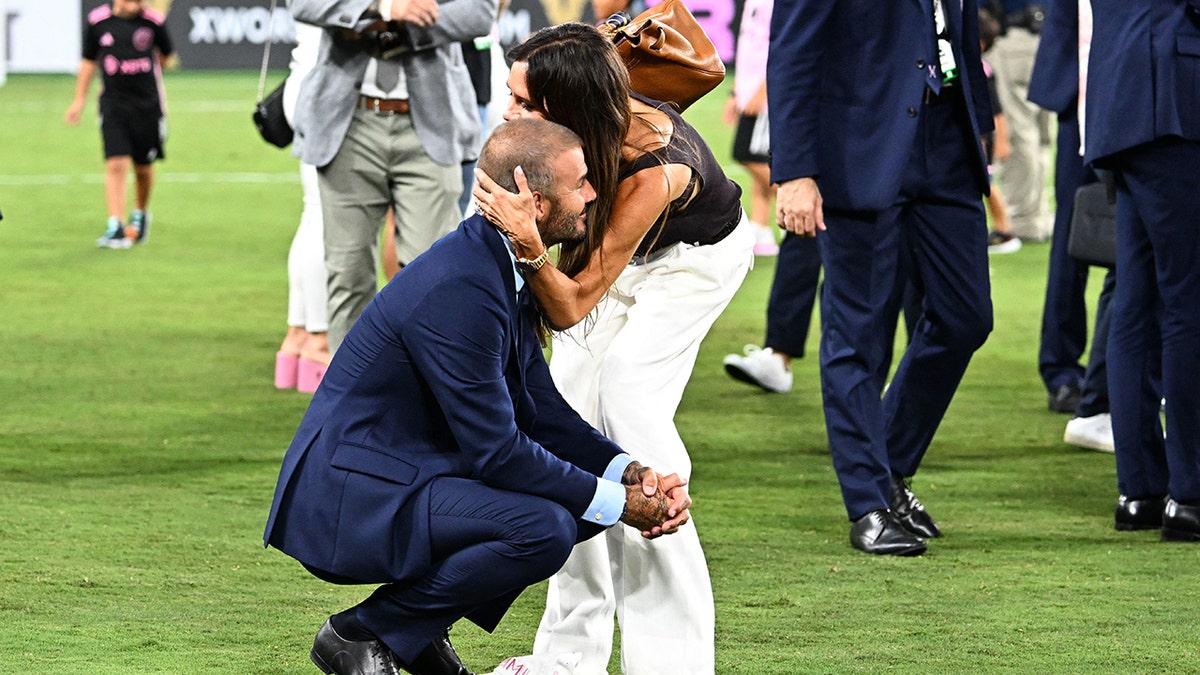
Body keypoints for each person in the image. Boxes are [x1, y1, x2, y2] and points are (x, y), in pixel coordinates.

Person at [264, 118, 692, 675]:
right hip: (352, 493)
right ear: (536, 203)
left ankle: (413, 629)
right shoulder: (464, 285)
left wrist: (625, 472)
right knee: (545, 527)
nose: (593, 193)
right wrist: (619, 504)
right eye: (581, 182)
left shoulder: (497, 263)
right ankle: (363, 633)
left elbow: (540, 410)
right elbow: (498, 451)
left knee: (580, 506)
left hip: (408, 468)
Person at [473, 22, 755, 674]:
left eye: (522, 103)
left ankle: (674, 661)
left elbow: (570, 301)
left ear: (563, 109)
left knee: (628, 394)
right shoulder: (583, 90)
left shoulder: (657, 169)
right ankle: (567, 657)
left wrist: (528, 244)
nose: (510, 113)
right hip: (622, 255)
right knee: (566, 427)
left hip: (695, 262)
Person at [767, 0, 994, 556]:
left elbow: (955, 32)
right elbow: (793, 50)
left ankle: (885, 466)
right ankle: (868, 504)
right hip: (859, 148)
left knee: (966, 318)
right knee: (858, 332)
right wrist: (795, 171)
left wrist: (981, 126)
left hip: (946, 147)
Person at [288, 0, 495, 353]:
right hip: (348, 124)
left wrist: (403, 23)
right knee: (347, 274)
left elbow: (479, 12)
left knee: (433, 280)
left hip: (432, 127)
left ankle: (425, 400)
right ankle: (349, 403)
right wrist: (382, 8)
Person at [1084, 0, 1200, 540]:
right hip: (1173, 101)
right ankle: (1190, 492)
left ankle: (1142, 491)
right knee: (1185, 303)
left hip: (1124, 101)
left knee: (1137, 301)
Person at [1027, 0, 1116, 448]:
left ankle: (1111, 374)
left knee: (1127, 245)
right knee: (1072, 239)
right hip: (1082, 95)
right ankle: (1062, 369)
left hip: (1119, 90)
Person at [64, 0, 173, 250]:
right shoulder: (98, 22)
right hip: (113, 106)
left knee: (143, 168)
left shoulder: (153, 22)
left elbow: (164, 56)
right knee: (116, 163)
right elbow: (88, 61)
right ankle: (116, 225)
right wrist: (78, 100)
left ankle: (141, 214)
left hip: (148, 107)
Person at [275, 21, 333, 394]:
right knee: (326, 218)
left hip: (306, 75)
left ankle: (297, 337)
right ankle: (319, 342)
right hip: (326, 83)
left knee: (313, 212)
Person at [986, 0, 1051, 242]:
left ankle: (1024, 222)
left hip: (1014, 36)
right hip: (1046, 34)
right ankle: (1041, 217)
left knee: (1016, 133)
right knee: (1040, 134)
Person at [725, 0, 779, 257]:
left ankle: (807, 206)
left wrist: (763, 91)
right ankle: (761, 227)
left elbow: (782, 47)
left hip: (766, 97)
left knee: (746, 154)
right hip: (749, 92)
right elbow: (748, 50)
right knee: (762, 159)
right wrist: (736, 92)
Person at [979, 8, 1021, 255]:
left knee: (987, 183)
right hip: (980, 137)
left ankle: (1005, 230)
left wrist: (1002, 141)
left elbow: (997, 111)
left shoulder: (982, 71)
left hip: (984, 139)